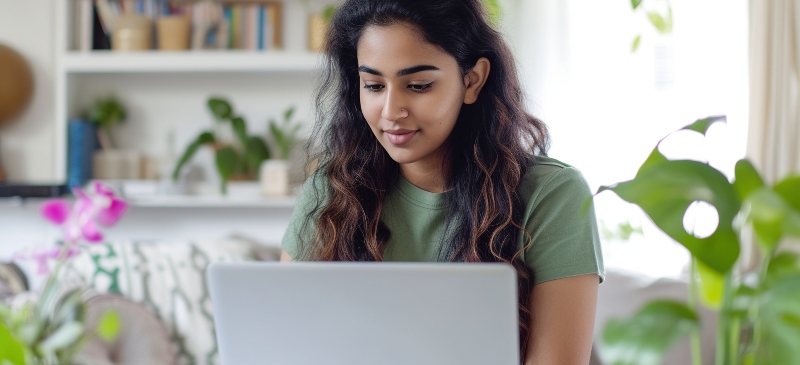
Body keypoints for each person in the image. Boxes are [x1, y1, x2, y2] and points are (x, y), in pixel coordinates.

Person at [279, 0, 604, 363]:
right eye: (373, 85)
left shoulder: (552, 195)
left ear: (472, 80)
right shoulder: (331, 190)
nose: (391, 111)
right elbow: (287, 341)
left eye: (418, 86)